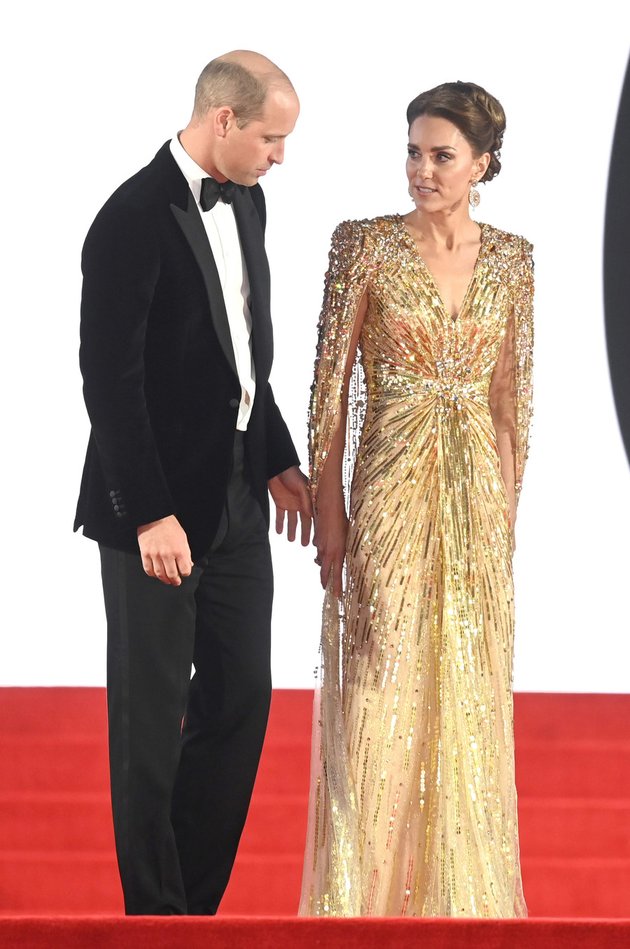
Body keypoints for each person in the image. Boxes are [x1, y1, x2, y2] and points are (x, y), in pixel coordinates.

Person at [74, 50, 312, 916]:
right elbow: (110, 380)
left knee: (244, 698)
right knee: (148, 723)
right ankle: (156, 918)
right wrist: (149, 514)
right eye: (272, 138)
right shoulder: (131, 217)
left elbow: (241, 355)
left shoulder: (248, 200)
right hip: (156, 514)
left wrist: (277, 453)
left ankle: (190, 910)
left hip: (238, 498)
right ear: (224, 122)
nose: (280, 155)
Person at [300, 81, 533, 917]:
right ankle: (351, 906)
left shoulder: (513, 258)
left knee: (465, 686)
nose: (421, 170)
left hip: (474, 496)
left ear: (482, 163)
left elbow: (511, 403)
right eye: (413, 151)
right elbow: (328, 396)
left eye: (441, 155)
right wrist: (331, 512)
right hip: (390, 490)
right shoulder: (360, 245)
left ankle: (457, 906)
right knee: (376, 685)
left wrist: (504, 517)